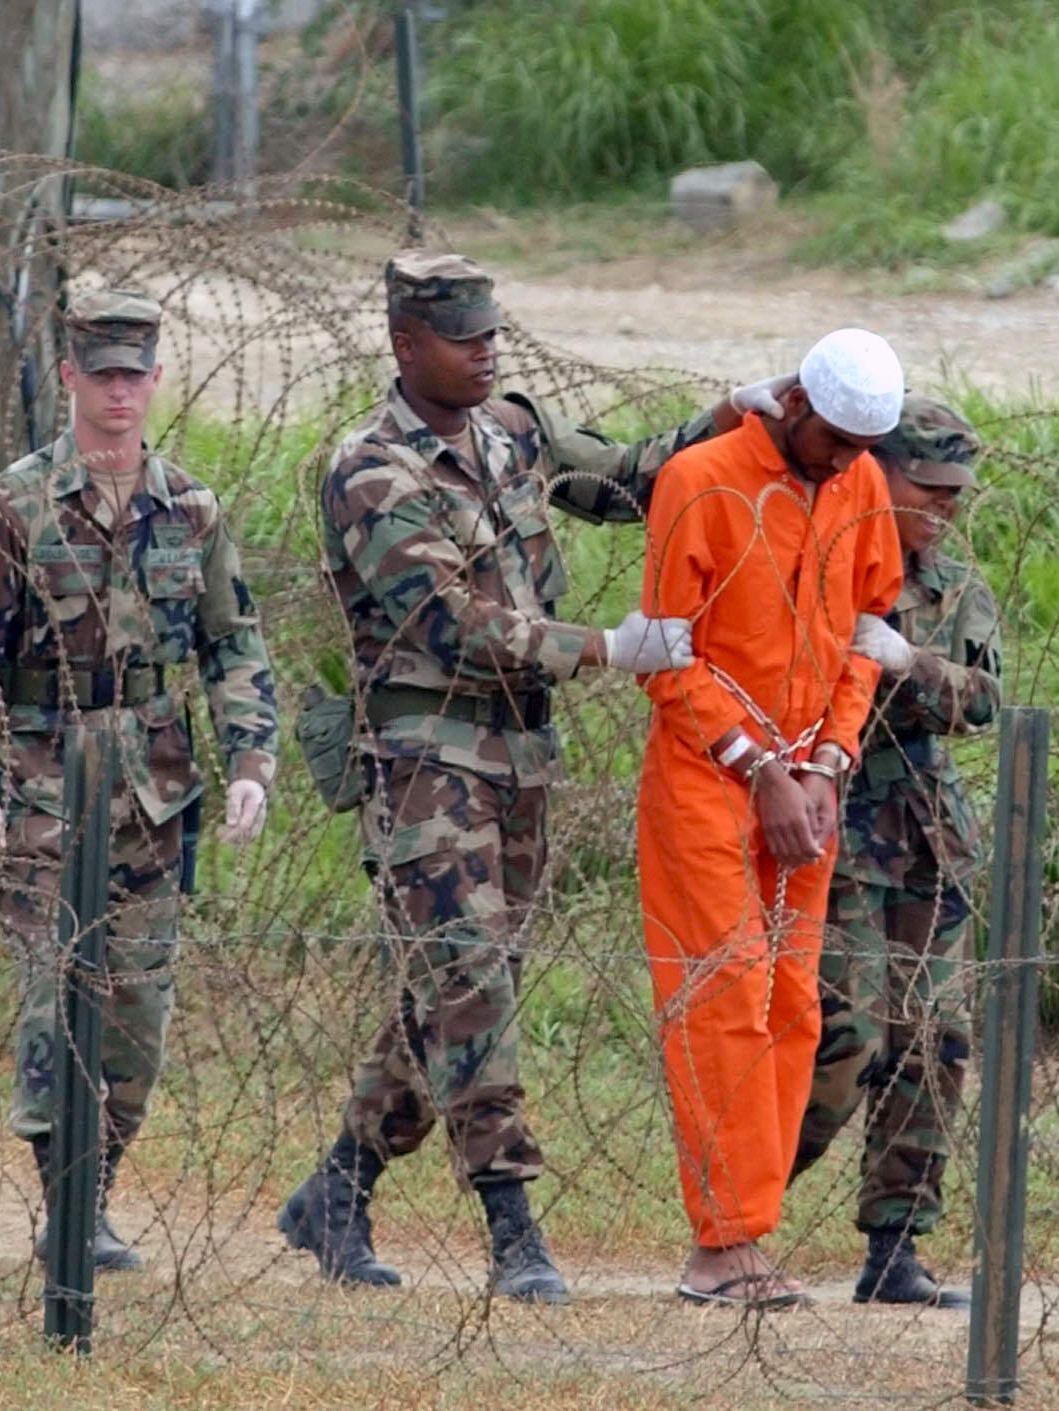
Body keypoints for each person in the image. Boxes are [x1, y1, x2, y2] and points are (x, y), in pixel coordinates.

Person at [280, 251, 718, 1304]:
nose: (485, 355)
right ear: (403, 345)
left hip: (518, 755)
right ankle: (512, 1227)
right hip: (425, 756)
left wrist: (734, 421)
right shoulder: (370, 472)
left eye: (490, 337)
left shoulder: (510, 434)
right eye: (462, 340)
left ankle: (337, 1186)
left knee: (460, 989)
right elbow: (452, 626)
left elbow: (622, 480)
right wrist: (607, 647)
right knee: (468, 980)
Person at [0, 289, 278, 1272]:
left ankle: (99, 1190)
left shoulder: (190, 510)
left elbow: (233, 646)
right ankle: (64, 1204)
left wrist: (251, 759)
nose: (119, 393)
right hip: (40, 782)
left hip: (152, 797)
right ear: (70, 377)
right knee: (52, 996)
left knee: (134, 1016)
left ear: (156, 381)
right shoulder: (14, 504)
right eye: (101, 374)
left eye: (135, 375)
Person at [635, 326, 907, 1308]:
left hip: (808, 784)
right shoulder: (698, 478)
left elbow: (869, 630)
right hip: (708, 780)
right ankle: (721, 1243)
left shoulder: (859, 482)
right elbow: (662, 653)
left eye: (858, 447)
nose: (841, 461)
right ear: (791, 401)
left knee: (790, 1003)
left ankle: (745, 1230)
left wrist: (829, 762)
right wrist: (755, 767)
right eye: (831, 439)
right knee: (722, 996)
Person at [786, 395, 998, 1308]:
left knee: (933, 1045)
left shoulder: (955, 586)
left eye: (958, 492)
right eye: (930, 486)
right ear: (879, 473)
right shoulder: (821, 558)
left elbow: (986, 699)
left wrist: (907, 663)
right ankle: (732, 1208)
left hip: (927, 836)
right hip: (837, 828)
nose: (945, 506)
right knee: (842, 1041)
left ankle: (897, 1247)